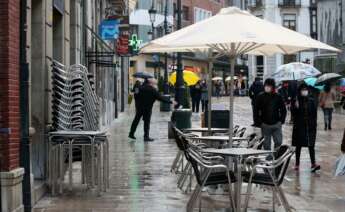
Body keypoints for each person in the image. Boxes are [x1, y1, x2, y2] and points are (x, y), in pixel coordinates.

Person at [291, 83, 321, 172]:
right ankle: (297, 164)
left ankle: (313, 163)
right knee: (298, 145)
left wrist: (314, 124)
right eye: (302, 89)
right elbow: (293, 115)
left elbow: (314, 114)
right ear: (300, 91)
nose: (304, 91)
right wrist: (294, 107)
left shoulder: (311, 101)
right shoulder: (296, 100)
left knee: (311, 145)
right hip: (299, 126)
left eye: (305, 89)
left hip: (310, 126)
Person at [255, 78, 287, 151]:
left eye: (269, 85)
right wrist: (259, 122)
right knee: (266, 145)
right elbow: (256, 110)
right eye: (266, 85)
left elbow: (283, 109)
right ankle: (268, 160)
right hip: (265, 124)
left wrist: (281, 121)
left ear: (273, 87)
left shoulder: (278, 96)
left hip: (276, 124)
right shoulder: (260, 96)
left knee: (278, 142)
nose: (267, 87)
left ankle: (276, 157)